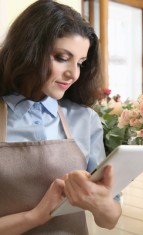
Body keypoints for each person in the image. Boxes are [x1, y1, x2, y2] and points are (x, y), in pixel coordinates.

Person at [0, 0, 122, 234]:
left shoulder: (85, 120)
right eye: (61, 57)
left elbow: (110, 220)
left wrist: (102, 203)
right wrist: (34, 217)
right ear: (29, 49)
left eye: (80, 63)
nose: (73, 73)